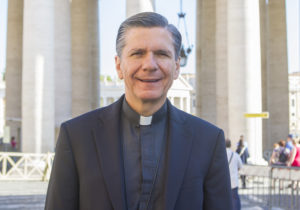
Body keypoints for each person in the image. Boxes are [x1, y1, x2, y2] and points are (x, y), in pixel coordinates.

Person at [45, 12, 232, 210]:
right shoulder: (76, 137)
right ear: (118, 66)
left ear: (176, 67)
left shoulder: (208, 140)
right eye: (137, 53)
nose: (149, 65)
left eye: (161, 54)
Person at [226, 139, 243, 210]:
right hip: (233, 181)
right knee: (235, 200)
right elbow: (240, 166)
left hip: (223, 181)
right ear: (230, 145)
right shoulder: (235, 155)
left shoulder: (220, 154)